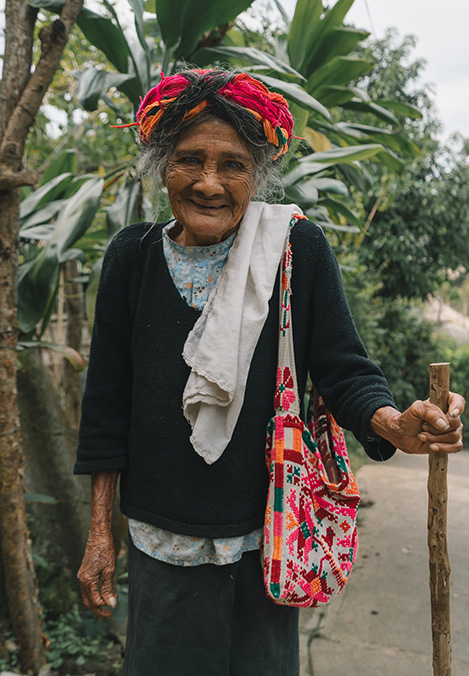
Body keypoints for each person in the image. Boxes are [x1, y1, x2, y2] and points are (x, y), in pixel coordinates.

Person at [74, 69, 465, 676]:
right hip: (159, 537)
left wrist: (391, 422)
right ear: (160, 165)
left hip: (267, 537)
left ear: (257, 175)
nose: (208, 182)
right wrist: (99, 530)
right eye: (188, 160)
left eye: (232, 164)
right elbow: (106, 402)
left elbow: (342, 367)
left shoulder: (295, 249)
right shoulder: (132, 256)